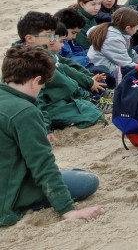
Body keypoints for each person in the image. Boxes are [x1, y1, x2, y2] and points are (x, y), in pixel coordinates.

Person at [0, 44, 101, 226]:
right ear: (35, 80)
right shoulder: (25, 112)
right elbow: (42, 163)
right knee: (87, 180)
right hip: (7, 191)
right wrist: (67, 210)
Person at [16, 11, 107, 132]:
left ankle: (89, 100)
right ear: (30, 38)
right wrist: (46, 129)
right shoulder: (28, 62)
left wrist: (88, 79)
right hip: (50, 106)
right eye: (49, 35)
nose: (53, 39)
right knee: (94, 116)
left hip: (62, 97)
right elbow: (37, 99)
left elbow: (66, 66)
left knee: (92, 108)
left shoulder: (45, 52)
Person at [86, 7, 138, 85]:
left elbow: (131, 53)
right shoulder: (114, 39)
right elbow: (125, 64)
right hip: (107, 72)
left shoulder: (118, 32)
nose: (137, 29)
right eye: (137, 26)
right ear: (128, 28)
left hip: (114, 64)